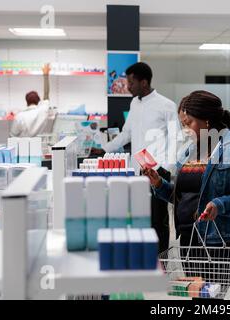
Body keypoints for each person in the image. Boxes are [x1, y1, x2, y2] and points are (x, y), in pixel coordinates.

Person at [143, 90, 230, 257]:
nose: (185, 130)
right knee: (194, 284)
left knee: (217, 285)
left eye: (189, 123)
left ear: (207, 121)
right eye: (183, 125)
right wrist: (159, 184)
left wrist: (221, 204)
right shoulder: (188, 151)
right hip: (188, 240)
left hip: (222, 242)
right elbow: (185, 196)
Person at [91, 62, 180, 253]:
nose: (128, 87)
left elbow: (175, 139)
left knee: (158, 220)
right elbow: (126, 134)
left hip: (157, 172)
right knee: (139, 217)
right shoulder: (134, 103)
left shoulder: (166, 105)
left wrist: (167, 170)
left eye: (131, 83)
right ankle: (144, 258)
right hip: (136, 170)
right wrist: (105, 149)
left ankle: (161, 261)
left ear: (144, 82)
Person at [10, 63, 52, 137]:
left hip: (22, 146)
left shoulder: (19, 116)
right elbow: (46, 94)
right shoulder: (42, 111)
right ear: (38, 101)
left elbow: (12, 135)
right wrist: (46, 75)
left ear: (26, 102)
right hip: (38, 145)